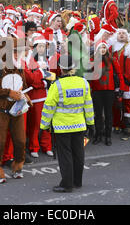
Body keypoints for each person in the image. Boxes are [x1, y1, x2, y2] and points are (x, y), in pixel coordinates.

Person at [40, 54, 95, 193]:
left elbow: (48, 108)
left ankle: (66, 184)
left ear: (61, 68)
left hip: (61, 127)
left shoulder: (56, 85)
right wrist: (91, 123)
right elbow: (88, 105)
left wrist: (43, 126)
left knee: (65, 156)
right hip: (79, 125)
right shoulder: (83, 83)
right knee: (78, 154)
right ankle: (77, 182)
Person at [0, 36, 32, 183]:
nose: (16, 54)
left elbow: (23, 86)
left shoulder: (19, 67)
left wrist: (25, 96)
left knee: (20, 140)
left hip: (17, 110)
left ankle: (18, 165)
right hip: (0, 111)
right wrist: (8, 93)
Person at [89, 41, 124, 146]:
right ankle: (98, 135)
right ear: (97, 49)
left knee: (109, 114)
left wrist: (121, 88)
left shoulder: (112, 60)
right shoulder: (93, 60)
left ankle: (108, 136)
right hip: (96, 91)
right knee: (98, 114)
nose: (103, 49)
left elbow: (119, 74)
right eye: (100, 47)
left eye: (104, 47)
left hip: (109, 91)